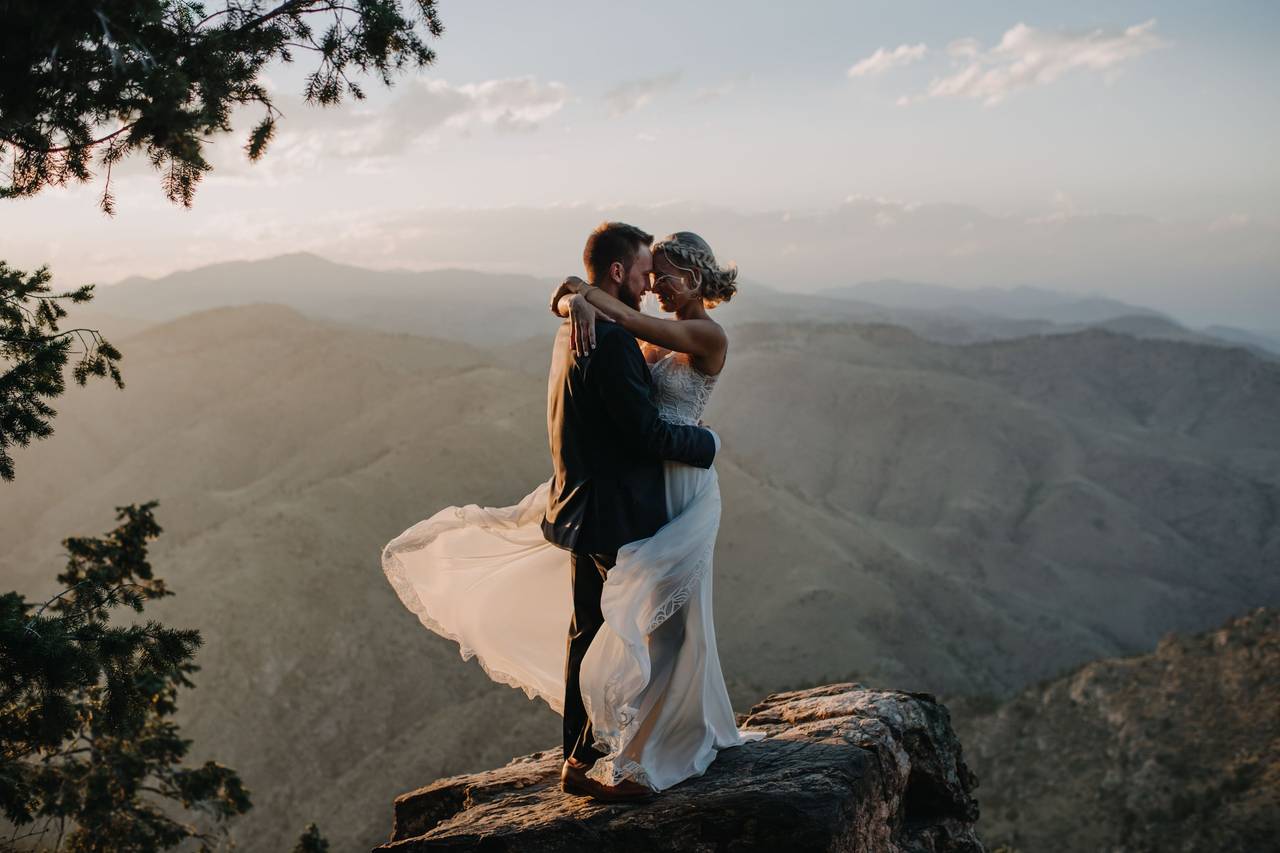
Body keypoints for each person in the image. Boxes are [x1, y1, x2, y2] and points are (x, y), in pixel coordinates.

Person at [380, 222, 763, 805]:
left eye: (660, 275)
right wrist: (575, 298)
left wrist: (579, 299)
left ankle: (663, 735)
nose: (652, 283)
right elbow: (635, 397)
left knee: (669, 624)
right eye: (645, 273)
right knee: (630, 624)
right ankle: (614, 751)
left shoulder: (697, 334)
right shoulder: (607, 330)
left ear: (690, 276)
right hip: (632, 492)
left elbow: (633, 330)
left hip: (668, 484)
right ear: (619, 273)